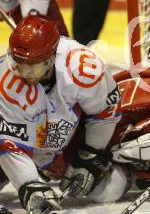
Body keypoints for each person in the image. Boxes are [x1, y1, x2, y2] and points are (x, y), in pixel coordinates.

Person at [0, 15, 122, 213]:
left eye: (32, 64)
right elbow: (9, 142)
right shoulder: (7, 81)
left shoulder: (83, 67)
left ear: (50, 58)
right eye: (19, 62)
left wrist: (90, 156)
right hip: (38, 147)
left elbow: (105, 111)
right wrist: (29, 186)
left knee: (107, 191)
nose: (24, 71)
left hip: (77, 135)